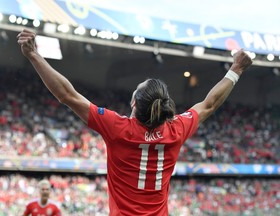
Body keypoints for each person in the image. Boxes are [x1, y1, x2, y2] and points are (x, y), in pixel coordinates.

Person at [17, 29, 252, 215]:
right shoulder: (177, 129)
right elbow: (209, 104)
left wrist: (34, 56)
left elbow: (67, 95)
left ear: (134, 104)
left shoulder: (117, 128)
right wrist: (236, 69)